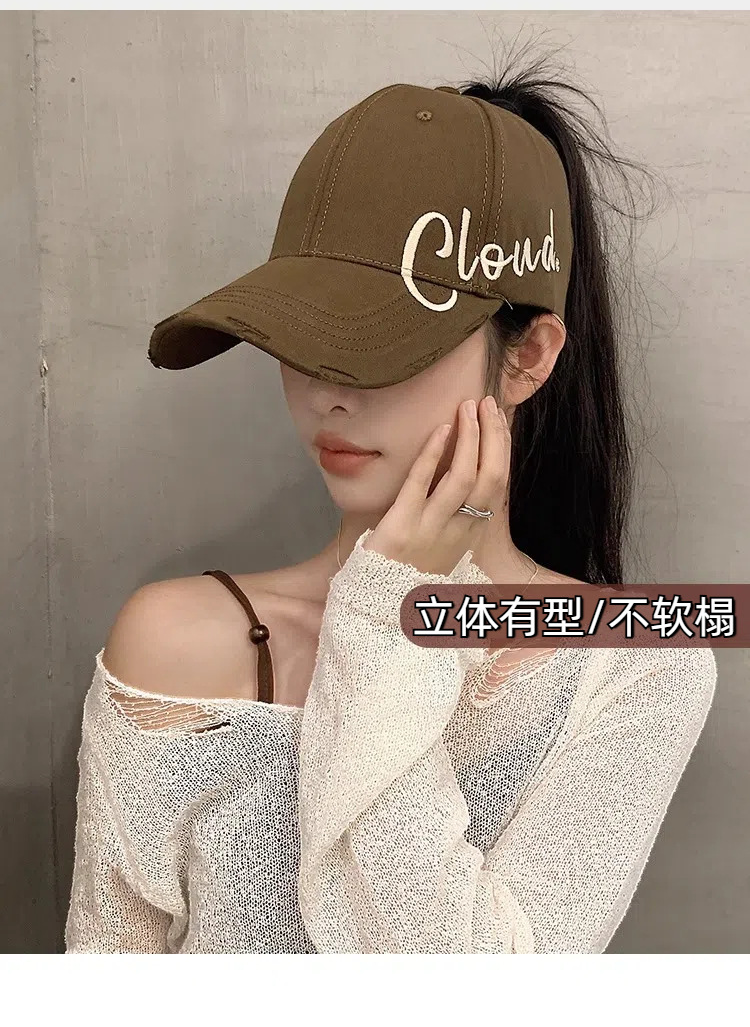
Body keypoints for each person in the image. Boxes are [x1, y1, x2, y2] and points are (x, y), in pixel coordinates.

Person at [64, 66, 716, 954]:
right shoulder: (171, 643)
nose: (326, 392)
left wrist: (389, 617)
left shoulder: (637, 666)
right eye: (300, 333)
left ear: (529, 356)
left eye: (382, 342)